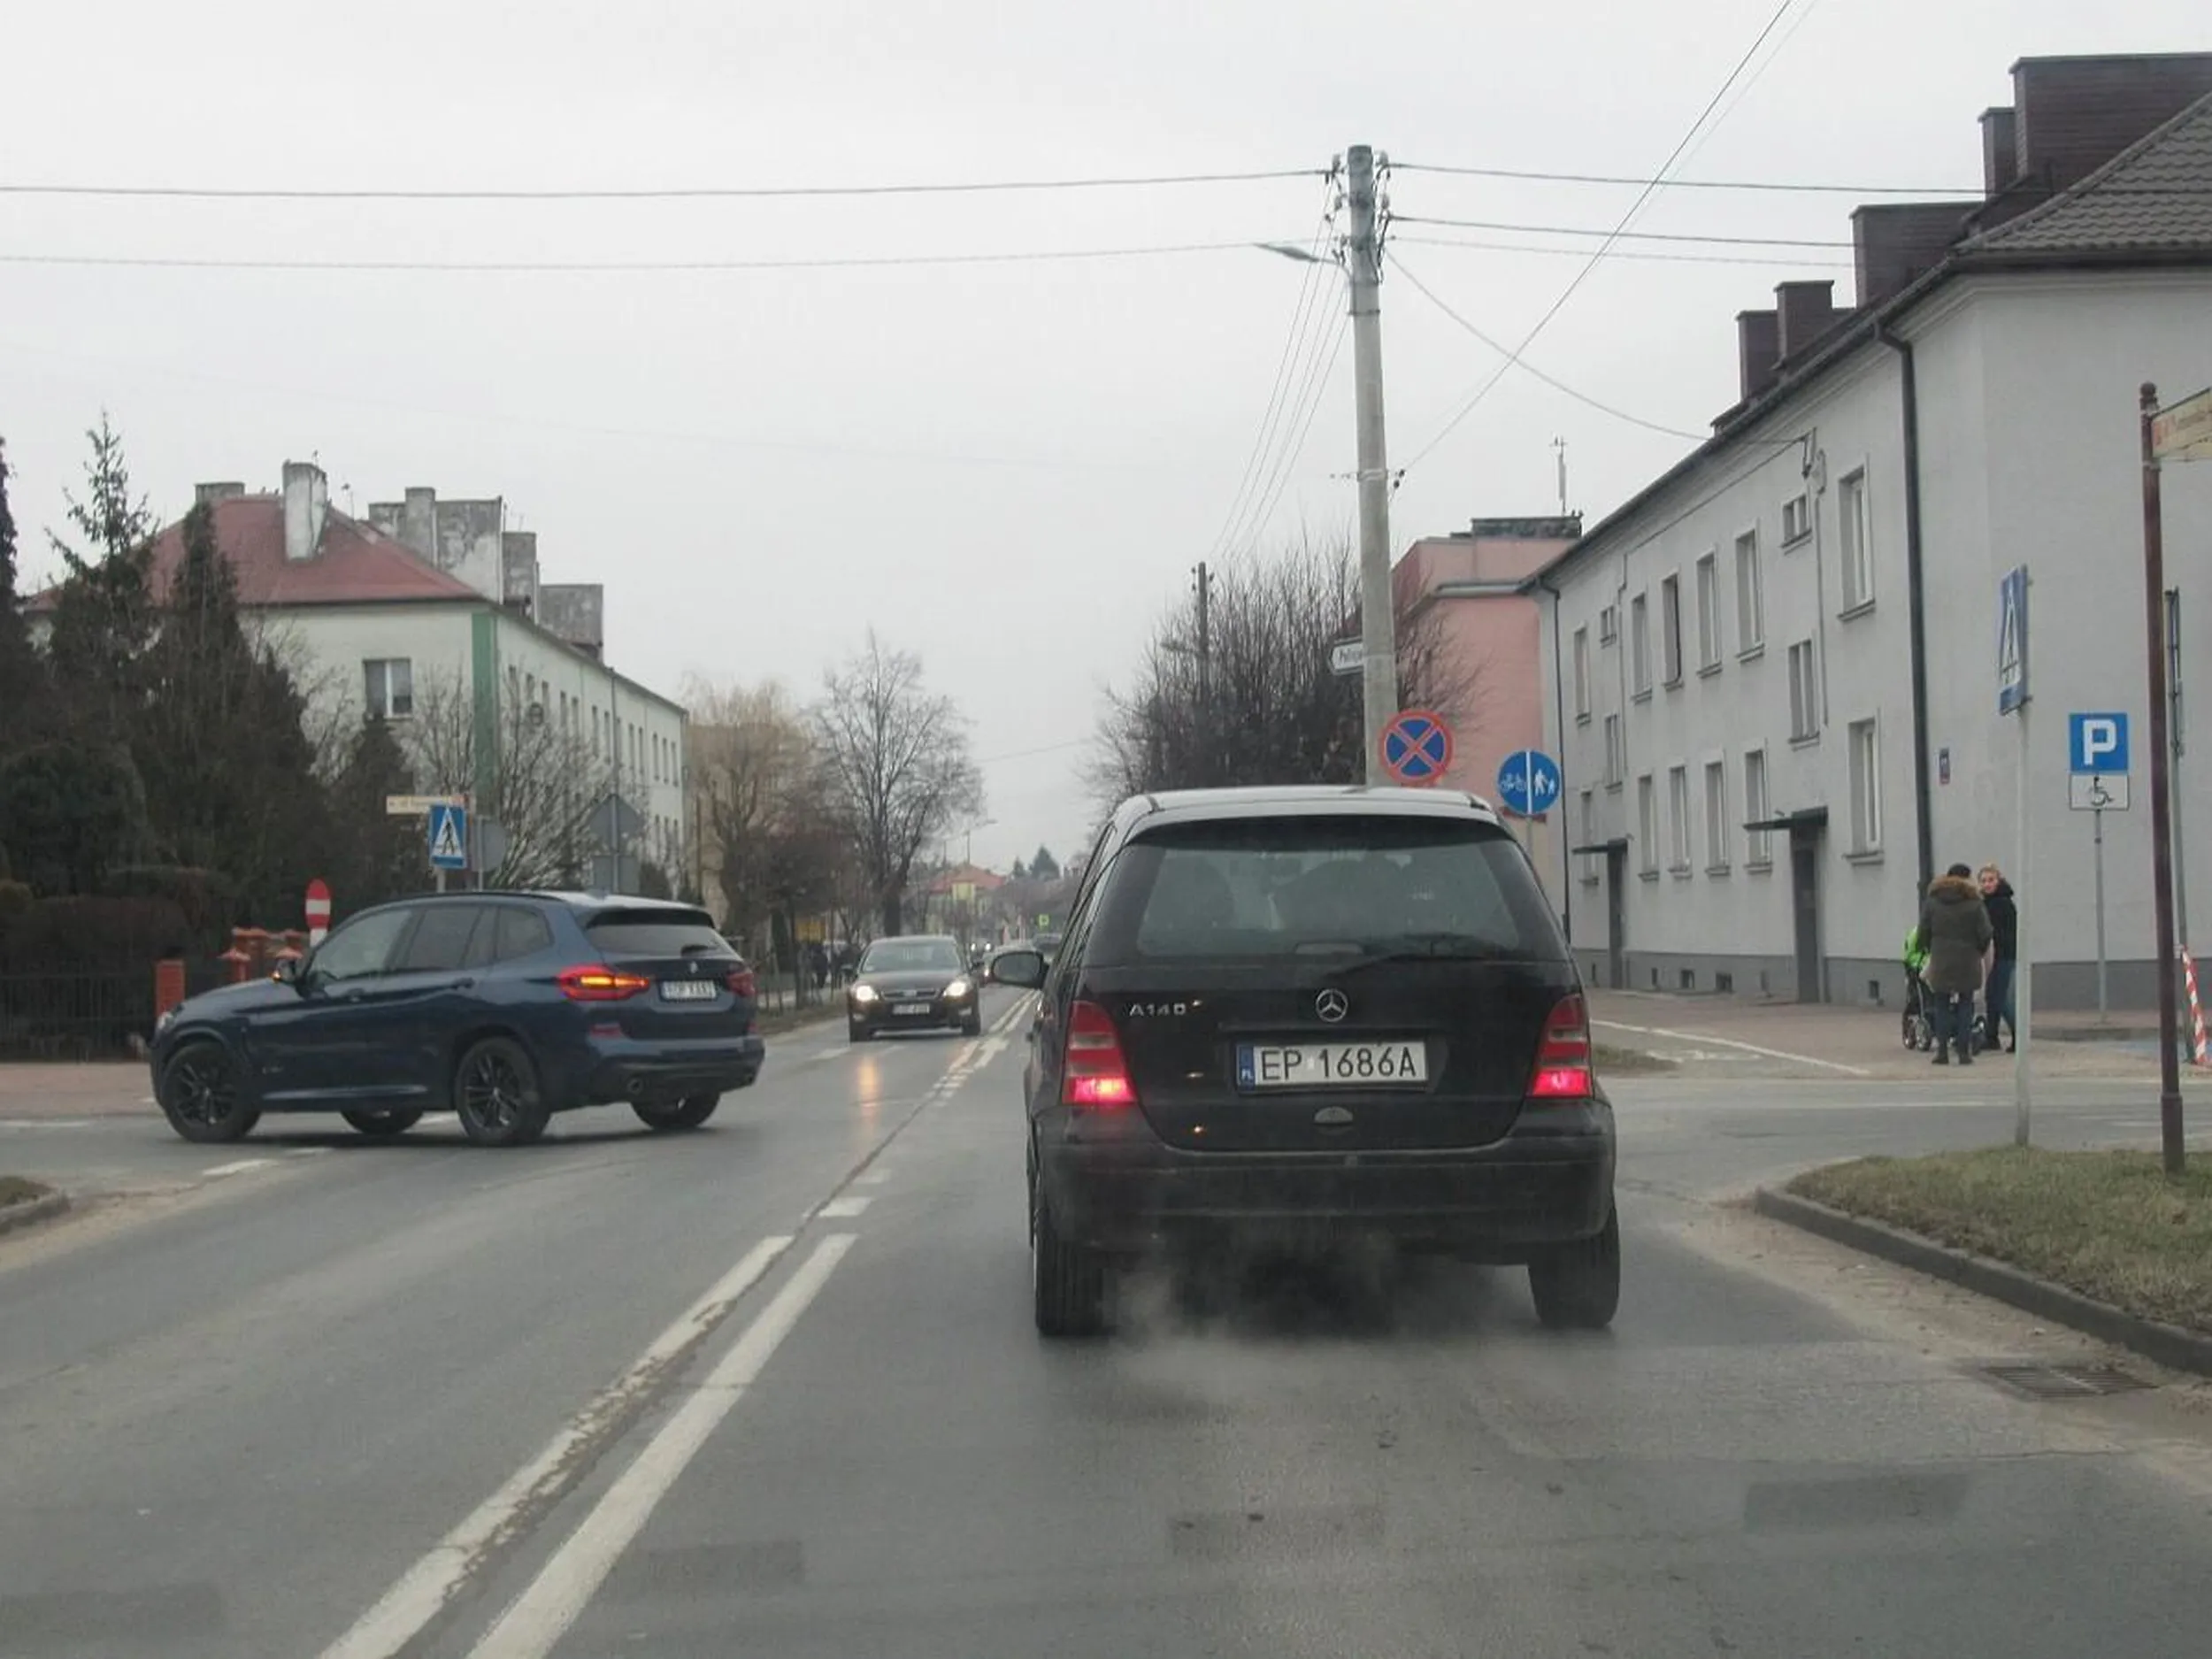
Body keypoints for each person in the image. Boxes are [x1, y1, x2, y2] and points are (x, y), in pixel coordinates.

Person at [1916, 862, 1993, 1065]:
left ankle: (1942, 1051)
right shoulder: (1975, 902)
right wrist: (1978, 949)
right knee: (1966, 1003)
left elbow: (1923, 930)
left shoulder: (1933, 901)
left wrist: (1927, 949)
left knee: (1941, 1003)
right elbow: (1986, 933)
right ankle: (1963, 1052)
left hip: (1941, 958)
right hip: (1968, 959)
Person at [1978, 864, 2018, 1053]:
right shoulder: (1989, 902)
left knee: (1999, 997)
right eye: (1984, 881)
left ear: (1998, 881)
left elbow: (1997, 932)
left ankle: (2018, 1035)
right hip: (1995, 954)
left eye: (1991, 880)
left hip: (2004, 955)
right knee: (1992, 996)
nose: (1987, 884)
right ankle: (1991, 1036)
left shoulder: (2000, 903)